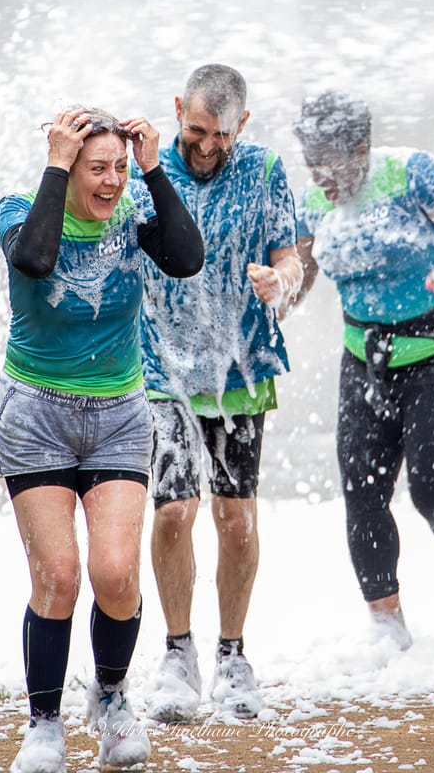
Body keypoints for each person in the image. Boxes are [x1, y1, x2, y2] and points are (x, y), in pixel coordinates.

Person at [0, 105, 204, 773]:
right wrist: (56, 165)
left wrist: (152, 169)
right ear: (68, 164)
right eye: (97, 168)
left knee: (115, 574)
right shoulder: (18, 208)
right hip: (36, 415)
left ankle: (111, 699)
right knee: (57, 576)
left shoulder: (132, 214)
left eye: (118, 167)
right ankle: (44, 725)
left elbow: (187, 259)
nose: (111, 182)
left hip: (117, 413)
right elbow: (35, 259)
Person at [291, 90, 434, 650]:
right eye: (312, 162)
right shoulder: (314, 202)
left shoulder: (412, 172)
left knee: (433, 495)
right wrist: (280, 288)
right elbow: (300, 275)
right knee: (363, 494)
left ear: (361, 149)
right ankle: (387, 628)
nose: (322, 176)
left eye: (333, 163)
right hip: (365, 361)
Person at [133, 64, 302, 723]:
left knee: (236, 519)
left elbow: (290, 257)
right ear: (178, 110)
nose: (207, 146)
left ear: (244, 125)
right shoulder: (147, 172)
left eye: (221, 135)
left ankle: (233, 656)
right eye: (197, 130)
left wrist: (281, 280)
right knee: (173, 513)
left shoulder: (262, 171)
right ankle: (178, 654)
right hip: (160, 370)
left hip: (241, 371)